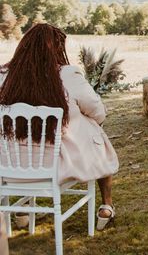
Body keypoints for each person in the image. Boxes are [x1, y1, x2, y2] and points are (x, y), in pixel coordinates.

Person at [0, 24, 119, 230]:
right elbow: (97, 111)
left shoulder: (4, 75)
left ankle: (24, 205)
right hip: (57, 165)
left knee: (28, 142)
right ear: (56, 49)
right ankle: (106, 205)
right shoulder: (67, 74)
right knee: (96, 131)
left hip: (10, 166)